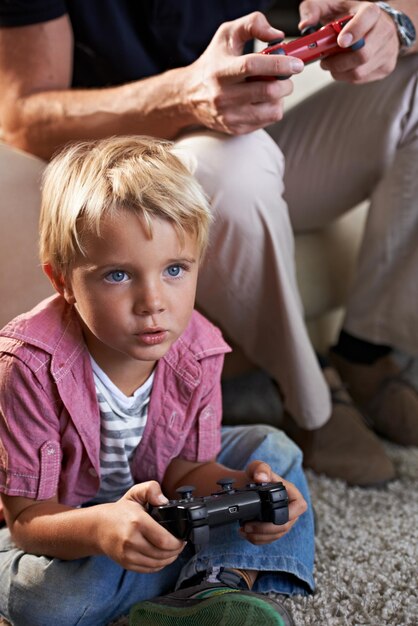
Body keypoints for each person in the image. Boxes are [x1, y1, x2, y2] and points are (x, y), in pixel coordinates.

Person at [0, 0, 417, 486]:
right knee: (230, 167)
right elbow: (22, 117)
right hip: (126, 161)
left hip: (248, 126)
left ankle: (365, 348)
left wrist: (395, 23)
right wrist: (183, 95)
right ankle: (311, 403)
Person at [0, 135, 314, 626]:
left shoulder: (200, 348)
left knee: (275, 453)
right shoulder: (28, 366)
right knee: (44, 602)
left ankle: (213, 589)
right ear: (63, 281)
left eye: (174, 269)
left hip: (162, 506)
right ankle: (212, 575)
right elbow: (26, 520)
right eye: (118, 276)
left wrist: (244, 491)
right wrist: (103, 529)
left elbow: (187, 472)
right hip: (73, 521)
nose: (153, 302)